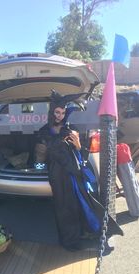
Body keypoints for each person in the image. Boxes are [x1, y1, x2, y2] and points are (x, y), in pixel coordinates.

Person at [35, 90, 123, 251]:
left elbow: (81, 154)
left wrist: (78, 145)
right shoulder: (43, 132)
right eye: (57, 112)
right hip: (58, 174)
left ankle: (91, 232)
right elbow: (40, 155)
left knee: (83, 202)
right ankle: (70, 241)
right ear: (51, 111)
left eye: (62, 112)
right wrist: (37, 169)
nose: (60, 115)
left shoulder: (71, 129)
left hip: (75, 172)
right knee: (64, 207)